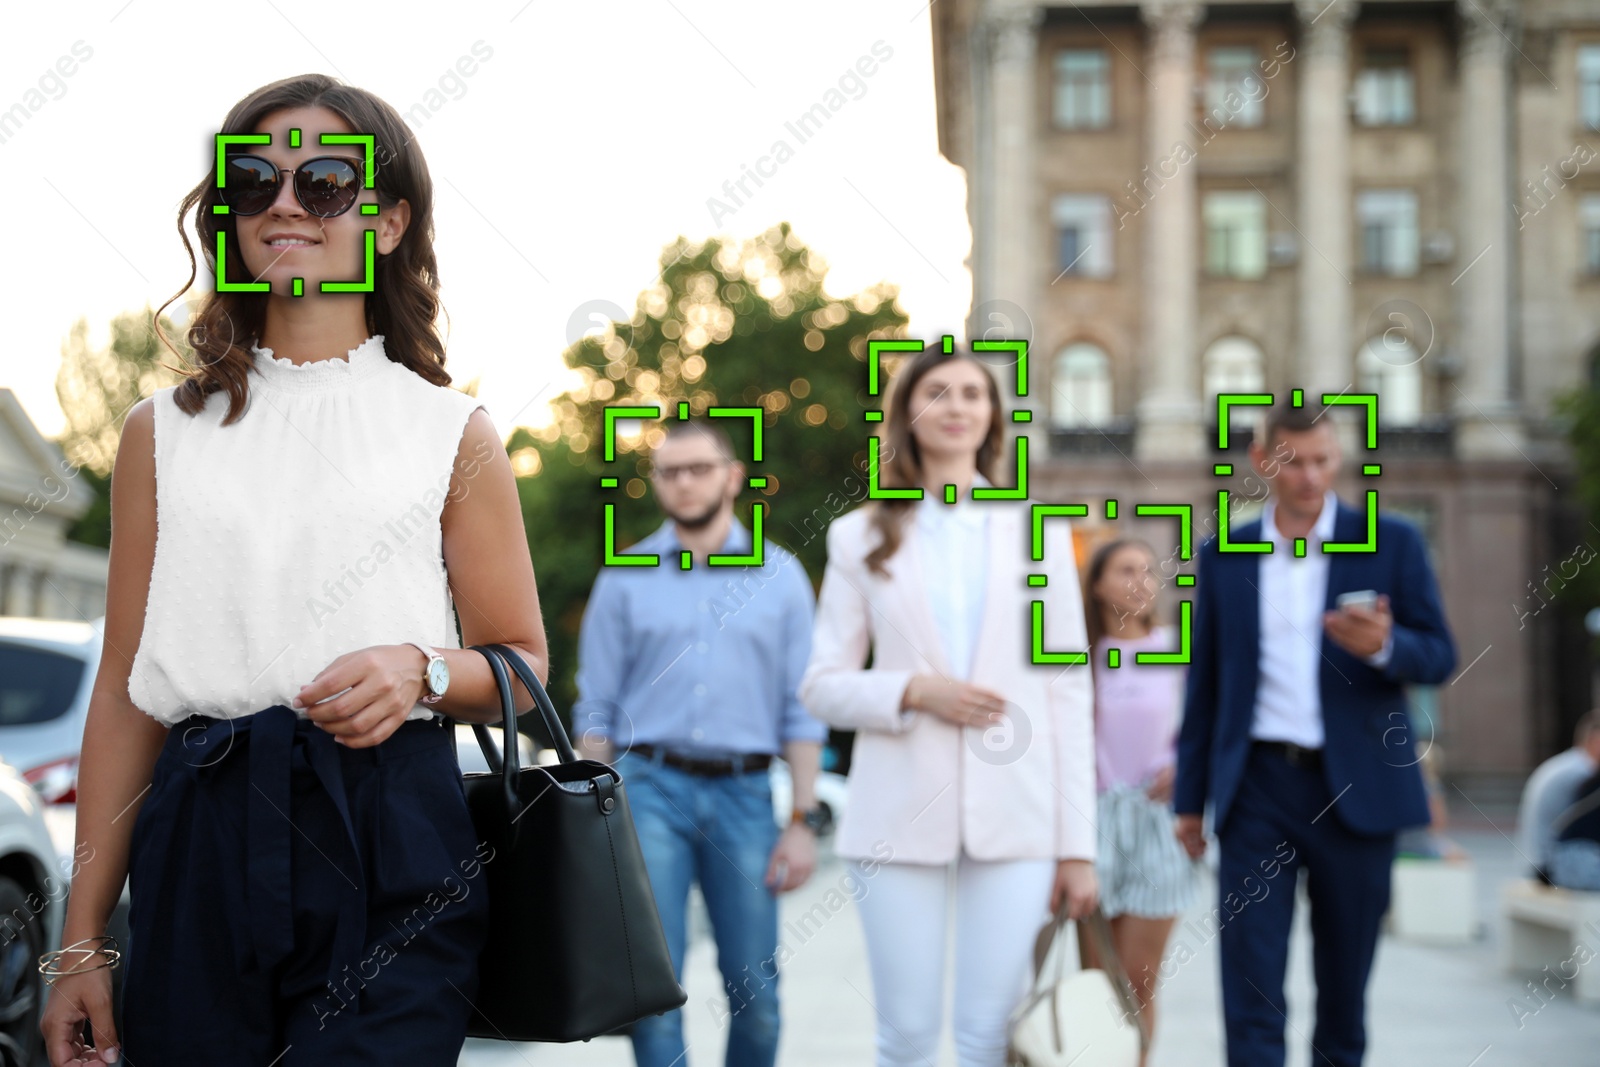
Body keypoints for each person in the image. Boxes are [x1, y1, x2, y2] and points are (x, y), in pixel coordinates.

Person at [37, 75, 550, 1066]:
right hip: (200, 832)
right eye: (253, 178)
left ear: (390, 220)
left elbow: (522, 664)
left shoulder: (453, 431)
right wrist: (83, 943)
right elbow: (125, 690)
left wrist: (422, 667)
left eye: (323, 181)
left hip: (393, 829)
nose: (284, 201)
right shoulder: (159, 433)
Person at [798, 343, 1098, 1067]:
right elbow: (820, 683)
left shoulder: (1042, 533)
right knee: (904, 1036)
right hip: (897, 811)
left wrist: (1079, 845)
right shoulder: (857, 535)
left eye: (973, 392)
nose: (957, 405)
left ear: (992, 416)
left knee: (991, 1035)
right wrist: (911, 690)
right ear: (908, 413)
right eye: (938, 391)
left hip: (1021, 814)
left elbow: (1068, 692)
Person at [1174, 402, 1457, 1067]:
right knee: (1250, 984)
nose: (1309, 476)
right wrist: (1190, 800)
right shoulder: (1223, 555)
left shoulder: (1392, 542)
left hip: (1359, 790)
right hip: (1257, 791)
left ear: (1339, 457)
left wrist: (1387, 644)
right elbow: (1204, 686)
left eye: (1323, 460)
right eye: (1292, 461)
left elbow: (1441, 653)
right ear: (1262, 461)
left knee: (1344, 991)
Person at [573, 418, 829, 1067]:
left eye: (699, 468)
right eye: (670, 471)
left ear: (732, 476)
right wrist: (585, 820)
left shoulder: (781, 576)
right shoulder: (624, 576)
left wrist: (801, 820)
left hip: (746, 795)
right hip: (648, 792)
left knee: (758, 991)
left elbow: (802, 711)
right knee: (653, 990)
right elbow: (596, 706)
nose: (684, 482)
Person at [1079, 538, 1196, 1061]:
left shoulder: (1178, 645)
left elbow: (1211, 721)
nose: (1142, 580)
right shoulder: (1077, 654)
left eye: (1149, 571)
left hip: (1157, 822)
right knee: (1095, 987)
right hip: (1092, 823)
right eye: (1126, 570)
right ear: (1098, 584)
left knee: (1138, 983)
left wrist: (1190, 768)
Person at [1516, 709, 1600, 882]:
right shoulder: (1582, 771)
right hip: (1551, 866)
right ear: (1596, 740)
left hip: (1534, 860)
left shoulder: (1566, 763)